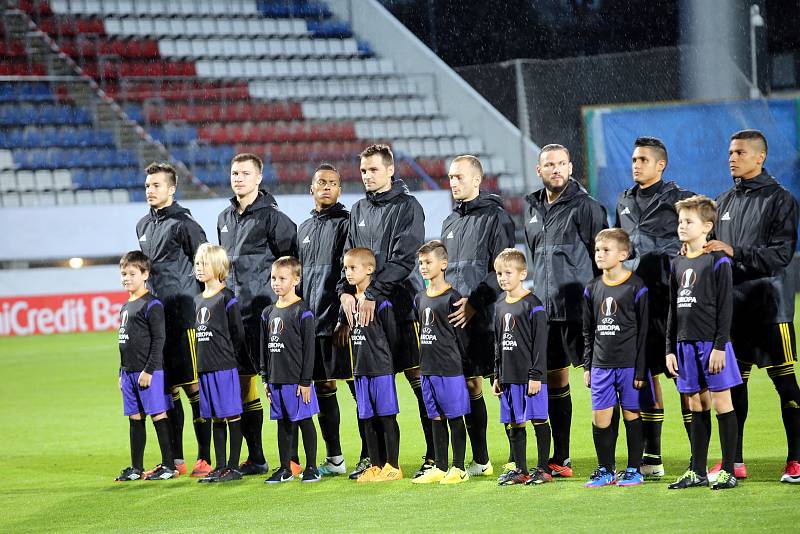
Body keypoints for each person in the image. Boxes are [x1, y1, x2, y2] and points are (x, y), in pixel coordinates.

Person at [707, 129, 800, 484]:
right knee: (733, 386)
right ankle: (734, 461)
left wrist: (735, 252)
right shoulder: (723, 201)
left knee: (786, 384)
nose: (732, 157)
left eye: (740, 152)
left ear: (760, 157)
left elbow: (780, 256)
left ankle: (796, 459)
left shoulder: (781, 199)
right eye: (730, 152)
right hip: (734, 310)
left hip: (771, 308)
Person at [336, 144, 429, 479]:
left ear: (390, 170)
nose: (367, 176)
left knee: (419, 380)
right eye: (363, 171)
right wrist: (345, 293)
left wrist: (373, 291)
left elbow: (405, 258)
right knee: (372, 383)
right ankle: (375, 459)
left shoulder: (408, 207)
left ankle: (433, 454)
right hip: (363, 311)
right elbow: (347, 259)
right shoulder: (357, 209)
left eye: (373, 169)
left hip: (403, 308)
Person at [524, 144, 608, 477]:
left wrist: (601, 306)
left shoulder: (588, 208)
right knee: (553, 381)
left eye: (561, 163)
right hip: (546, 310)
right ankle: (561, 458)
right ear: (539, 170)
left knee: (600, 381)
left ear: (570, 167)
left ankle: (620, 461)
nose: (555, 169)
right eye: (549, 164)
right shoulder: (531, 208)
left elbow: (602, 258)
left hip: (581, 310)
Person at [615, 137, 695, 477]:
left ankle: (698, 455)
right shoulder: (623, 201)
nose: (636, 164)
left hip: (671, 301)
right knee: (644, 375)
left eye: (643, 159)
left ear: (660, 165)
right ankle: (653, 455)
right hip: (636, 304)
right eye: (634, 159)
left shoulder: (680, 200)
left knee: (685, 377)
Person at [218, 153, 298, 476]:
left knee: (279, 384)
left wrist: (288, 306)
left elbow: (292, 263)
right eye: (235, 172)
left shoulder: (273, 218)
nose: (239, 178)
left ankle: (290, 459)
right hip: (235, 315)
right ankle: (256, 457)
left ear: (259, 178)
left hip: (267, 315)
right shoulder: (224, 218)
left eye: (245, 173)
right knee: (242, 385)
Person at [441, 155, 515, 478]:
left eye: (459, 177)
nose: (454, 182)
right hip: (457, 317)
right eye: (451, 177)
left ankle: (517, 456)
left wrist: (475, 302)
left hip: (489, 315)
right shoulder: (449, 222)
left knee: (504, 383)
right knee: (471, 384)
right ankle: (482, 459)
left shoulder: (496, 217)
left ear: (476, 180)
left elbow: (502, 268)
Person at [136, 162, 209, 477]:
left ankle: (205, 458)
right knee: (167, 392)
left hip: (184, 320)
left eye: (156, 185)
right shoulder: (142, 225)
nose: (150, 191)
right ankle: (174, 460)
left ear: (171, 188)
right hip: (156, 323)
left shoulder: (185, 224)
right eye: (148, 185)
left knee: (194, 389)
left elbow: (207, 266)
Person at [666, 195, 741, 490]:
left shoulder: (718, 260)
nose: (682, 226)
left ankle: (728, 470)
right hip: (684, 345)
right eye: (680, 221)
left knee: (722, 403)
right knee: (696, 404)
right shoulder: (677, 261)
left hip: (712, 344)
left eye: (689, 221)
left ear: (707, 226)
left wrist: (720, 345)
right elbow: (673, 309)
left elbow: (725, 307)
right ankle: (697, 470)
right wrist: (670, 348)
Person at [582, 229, 649, 488]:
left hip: (629, 365)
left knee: (632, 414)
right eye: (597, 249)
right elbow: (588, 331)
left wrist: (641, 370)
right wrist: (588, 365)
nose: (599, 254)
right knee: (601, 418)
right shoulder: (592, 288)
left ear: (623, 254)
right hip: (601, 365)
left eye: (606, 250)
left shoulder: (636, 286)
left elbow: (644, 332)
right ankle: (605, 470)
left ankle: (633, 469)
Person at [297, 164, 350, 477]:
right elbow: (302, 279)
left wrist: (344, 317)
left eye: (333, 183)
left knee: (359, 385)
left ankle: (372, 455)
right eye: (321, 182)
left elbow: (348, 272)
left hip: (339, 320)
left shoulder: (346, 223)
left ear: (339, 190)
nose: (327, 187)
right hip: (313, 321)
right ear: (312, 188)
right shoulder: (303, 229)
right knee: (322, 386)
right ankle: (335, 457)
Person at [411, 240, 471, 485]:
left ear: (443, 264)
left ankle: (459, 467)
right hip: (428, 368)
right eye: (421, 263)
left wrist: (465, 369)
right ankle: (440, 466)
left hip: (450, 368)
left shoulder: (453, 298)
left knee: (455, 416)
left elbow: (462, 337)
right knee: (435, 417)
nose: (423, 267)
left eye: (428, 262)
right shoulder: (419, 298)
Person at [115, 251, 178, 481]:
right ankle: (136, 468)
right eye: (123, 273)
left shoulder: (152, 305)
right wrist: (121, 373)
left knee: (158, 415)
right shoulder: (125, 306)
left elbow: (159, 340)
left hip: (148, 372)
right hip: (129, 372)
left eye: (132, 273)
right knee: (134, 417)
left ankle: (169, 465)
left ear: (145, 274)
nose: (126, 278)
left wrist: (149, 370)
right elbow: (124, 342)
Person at [492, 248, 552, 486]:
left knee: (538, 419)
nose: (503, 278)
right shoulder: (499, 306)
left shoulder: (533, 305)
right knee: (515, 421)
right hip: (509, 375)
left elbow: (540, 343)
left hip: (530, 377)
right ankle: (520, 469)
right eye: (498, 273)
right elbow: (497, 342)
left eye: (508, 272)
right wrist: (497, 374)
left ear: (523, 273)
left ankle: (544, 469)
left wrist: (536, 374)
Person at [343, 248, 403, 482]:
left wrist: (389, 365)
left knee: (387, 417)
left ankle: (393, 465)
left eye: (353, 268)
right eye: (346, 268)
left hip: (381, 369)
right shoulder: (348, 303)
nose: (348, 273)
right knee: (367, 418)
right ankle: (376, 465)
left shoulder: (381, 302)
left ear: (369, 269)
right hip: (360, 369)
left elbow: (392, 336)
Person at [260, 257, 321, 483]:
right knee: (283, 424)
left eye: (282, 278)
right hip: (276, 380)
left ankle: (312, 467)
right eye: (274, 278)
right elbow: (263, 348)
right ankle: (286, 467)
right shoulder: (267, 313)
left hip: (297, 382)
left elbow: (309, 350)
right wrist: (265, 378)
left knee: (305, 422)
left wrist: (305, 381)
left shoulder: (302, 311)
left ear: (296, 279)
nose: (276, 283)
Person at [193, 243, 248, 483]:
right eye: (197, 263)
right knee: (215, 417)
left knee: (232, 415)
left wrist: (237, 364)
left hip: (224, 367)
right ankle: (220, 465)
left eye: (204, 263)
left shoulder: (227, 298)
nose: (199, 268)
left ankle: (233, 467)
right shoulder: (197, 300)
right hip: (205, 368)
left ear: (218, 267)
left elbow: (238, 335)